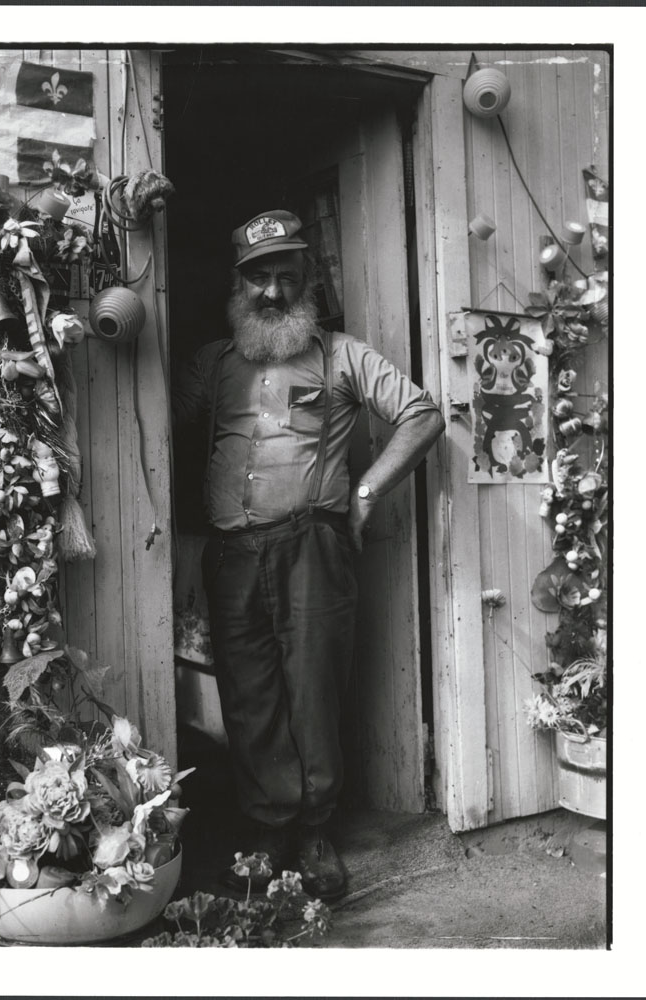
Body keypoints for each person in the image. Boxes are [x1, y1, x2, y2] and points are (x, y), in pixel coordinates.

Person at [173, 210, 445, 900]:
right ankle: (269, 824)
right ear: (238, 285)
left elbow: (423, 413)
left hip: (311, 546)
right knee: (249, 694)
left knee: (314, 688)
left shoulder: (343, 356)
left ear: (307, 278)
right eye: (257, 277)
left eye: (283, 275)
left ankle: (317, 831)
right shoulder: (215, 363)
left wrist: (367, 488)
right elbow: (158, 426)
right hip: (232, 551)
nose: (271, 291)